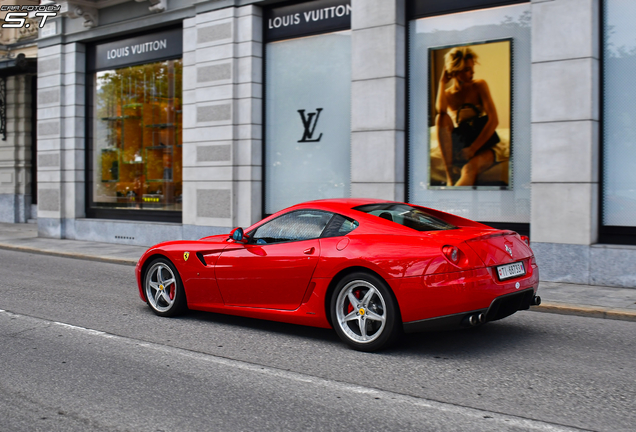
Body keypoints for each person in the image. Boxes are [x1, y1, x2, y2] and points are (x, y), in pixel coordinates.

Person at [435, 46, 501, 186]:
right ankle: (450, 177)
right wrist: (441, 82)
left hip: (482, 143)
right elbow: (440, 111)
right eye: (467, 69)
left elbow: (494, 120)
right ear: (454, 70)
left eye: (472, 68)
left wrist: (472, 149)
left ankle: (450, 204)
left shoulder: (479, 85)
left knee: (468, 169)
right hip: (462, 141)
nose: (472, 72)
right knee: (440, 118)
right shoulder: (447, 94)